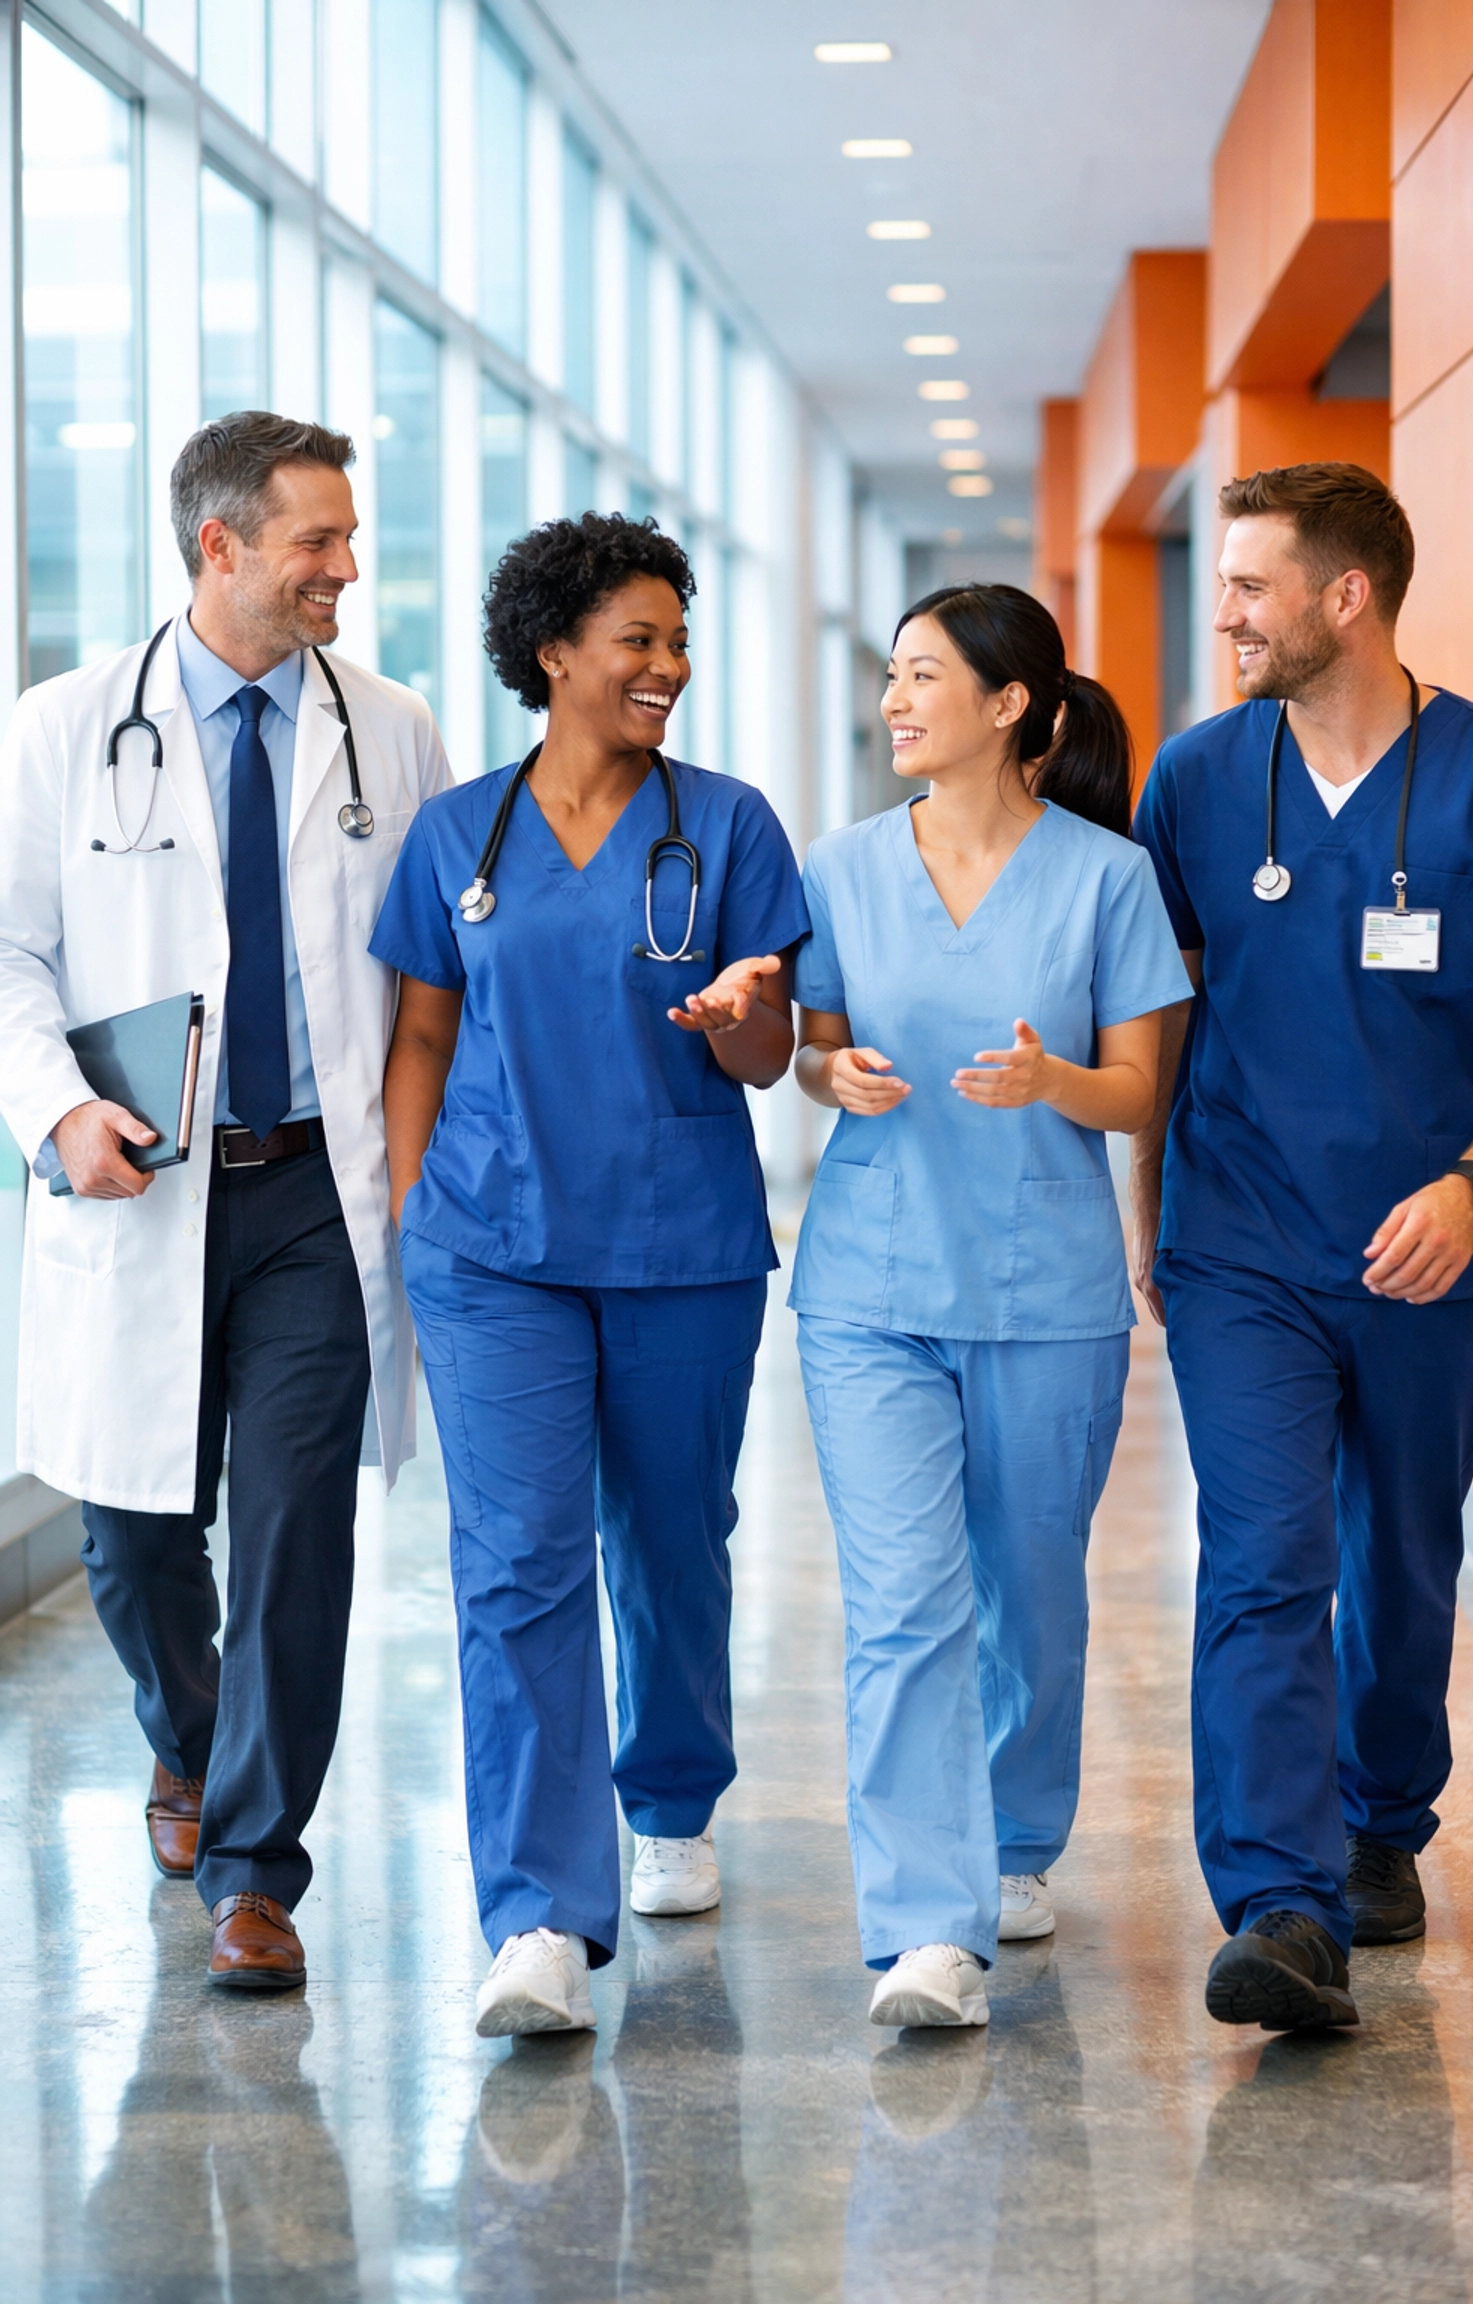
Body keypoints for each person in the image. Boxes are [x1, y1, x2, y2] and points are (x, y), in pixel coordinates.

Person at [0, 413, 451, 1987]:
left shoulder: (388, 727)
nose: (344, 568)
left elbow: (430, 968)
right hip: (145, 1190)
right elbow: (7, 956)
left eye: (344, 538)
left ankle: (256, 1873)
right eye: (317, 542)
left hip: (320, 1195)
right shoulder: (62, 728)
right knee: (132, 1543)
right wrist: (57, 1111)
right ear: (221, 549)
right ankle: (188, 1747)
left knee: (294, 1535)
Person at [372, 511, 809, 2038]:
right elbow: (422, 1033)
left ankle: (673, 1792)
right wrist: (422, 1203)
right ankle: (540, 1919)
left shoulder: (729, 823)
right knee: (516, 1564)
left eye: (679, 642)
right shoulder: (460, 836)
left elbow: (767, 1053)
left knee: (676, 1541)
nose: (668, 668)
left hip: (680, 1245)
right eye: (639, 640)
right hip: (492, 1253)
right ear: (553, 652)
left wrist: (746, 1012)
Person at [1131, 462, 1473, 2033]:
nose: (1223, 612)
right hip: (1243, 1243)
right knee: (1263, 1560)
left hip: (1430, 1243)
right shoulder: (1201, 780)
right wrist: (1147, 1214)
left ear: (1344, 596)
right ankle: (1280, 1905)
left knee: (1402, 1558)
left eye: (1247, 585)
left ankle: (1381, 1823)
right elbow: (1157, 1016)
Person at [790, 585, 1191, 2029]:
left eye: (920, 677)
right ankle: (924, 1927)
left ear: (1009, 703)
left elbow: (1139, 1091)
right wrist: (834, 1076)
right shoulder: (837, 868)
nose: (893, 702)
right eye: (889, 678)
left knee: (1031, 1595)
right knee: (904, 1605)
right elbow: (812, 1055)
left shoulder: (1106, 879)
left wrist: (1052, 1082)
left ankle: (1017, 1840)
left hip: (1045, 1291)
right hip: (871, 1288)